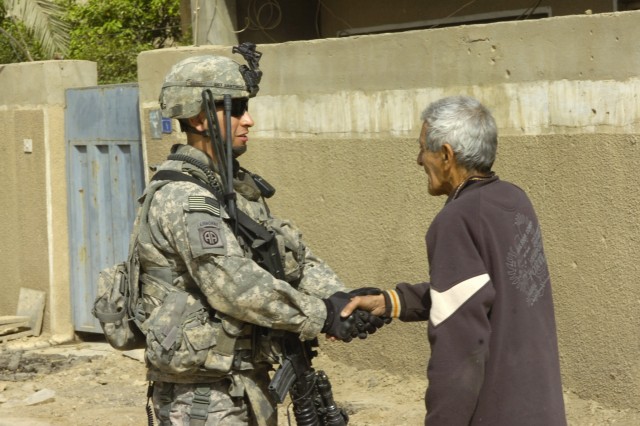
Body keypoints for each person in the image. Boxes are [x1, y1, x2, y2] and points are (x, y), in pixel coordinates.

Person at [135, 45, 382, 426]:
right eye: (236, 110)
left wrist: (341, 300)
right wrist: (321, 315)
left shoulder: (233, 188)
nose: (248, 121)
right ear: (200, 118)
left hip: (243, 381)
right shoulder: (184, 198)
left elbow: (286, 255)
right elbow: (234, 285)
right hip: (203, 396)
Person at [341, 95, 567, 425]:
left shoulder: (456, 220)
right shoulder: (514, 199)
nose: (419, 160)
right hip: (540, 407)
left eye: (423, 149)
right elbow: (481, 293)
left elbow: (461, 348)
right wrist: (390, 302)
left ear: (446, 155)